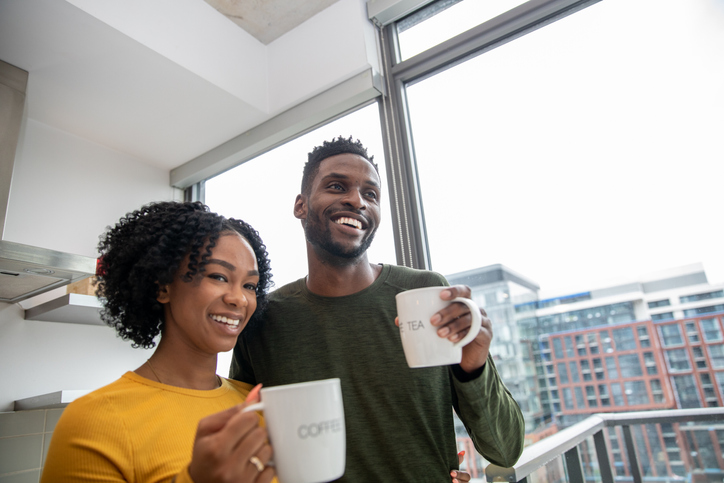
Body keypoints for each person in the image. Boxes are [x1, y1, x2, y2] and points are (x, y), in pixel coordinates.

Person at [230, 136, 526, 482]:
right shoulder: (264, 319)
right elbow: (246, 445)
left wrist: (474, 367)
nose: (356, 201)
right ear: (301, 205)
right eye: (337, 186)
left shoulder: (427, 293)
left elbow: (505, 451)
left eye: (371, 194)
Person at [41, 201, 276, 483]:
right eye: (218, 276)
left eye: (249, 285)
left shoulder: (256, 406)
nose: (239, 298)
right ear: (163, 286)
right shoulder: (93, 420)